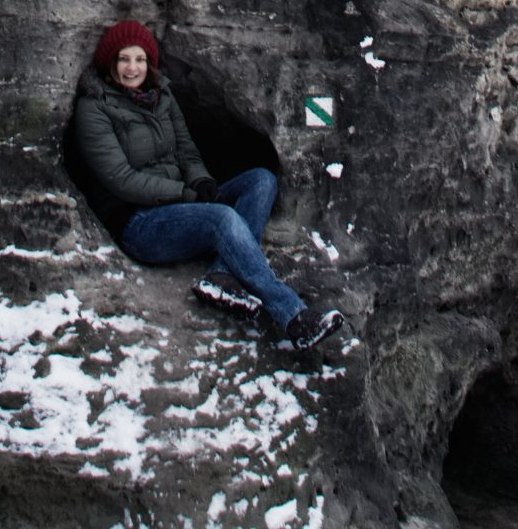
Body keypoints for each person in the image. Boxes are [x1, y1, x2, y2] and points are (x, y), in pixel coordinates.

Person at [72, 18, 343, 353]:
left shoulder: (162, 97)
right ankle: (293, 316)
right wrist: (185, 195)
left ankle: (220, 277)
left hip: (178, 206)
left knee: (261, 180)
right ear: (110, 64)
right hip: (139, 222)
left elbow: (186, 150)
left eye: (140, 59)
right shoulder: (94, 107)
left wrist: (201, 181)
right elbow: (120, 179)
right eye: (124, 59)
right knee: (222, 219)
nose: (132, 67)